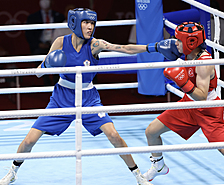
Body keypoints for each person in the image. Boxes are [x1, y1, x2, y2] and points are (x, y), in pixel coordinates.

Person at [0, 8, 154, 185]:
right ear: (75, 23)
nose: (90, 27)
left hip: (89, 98)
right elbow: (39, 73)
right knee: (29, 140)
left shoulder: (95, 44)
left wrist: (153, 48)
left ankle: (138, 176)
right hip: (61, 99)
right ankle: (12, 172)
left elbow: (125, 48)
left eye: (92, 23)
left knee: (114, 136)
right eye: (86, 23)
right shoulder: (60, 42)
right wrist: (49, 63)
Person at [144, 21, 224, 182]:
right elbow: (142, 48)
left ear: (191, 42)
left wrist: (183, 83)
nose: (176, 43)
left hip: (208, 109)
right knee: (151, 131)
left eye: (179, 40)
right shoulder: (186, 50)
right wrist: (137, 48)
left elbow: (201, 96)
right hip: (189, 104)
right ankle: (158, 166)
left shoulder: (204, 62)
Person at [25, 0, 65, 86]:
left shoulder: (59, 16)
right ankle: (45, 82)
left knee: (60, 56)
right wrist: (38, 44)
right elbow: (29, 35)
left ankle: (57, 82)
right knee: (38, 55)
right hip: (40, 46)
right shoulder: (33, 17)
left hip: (56, 45)